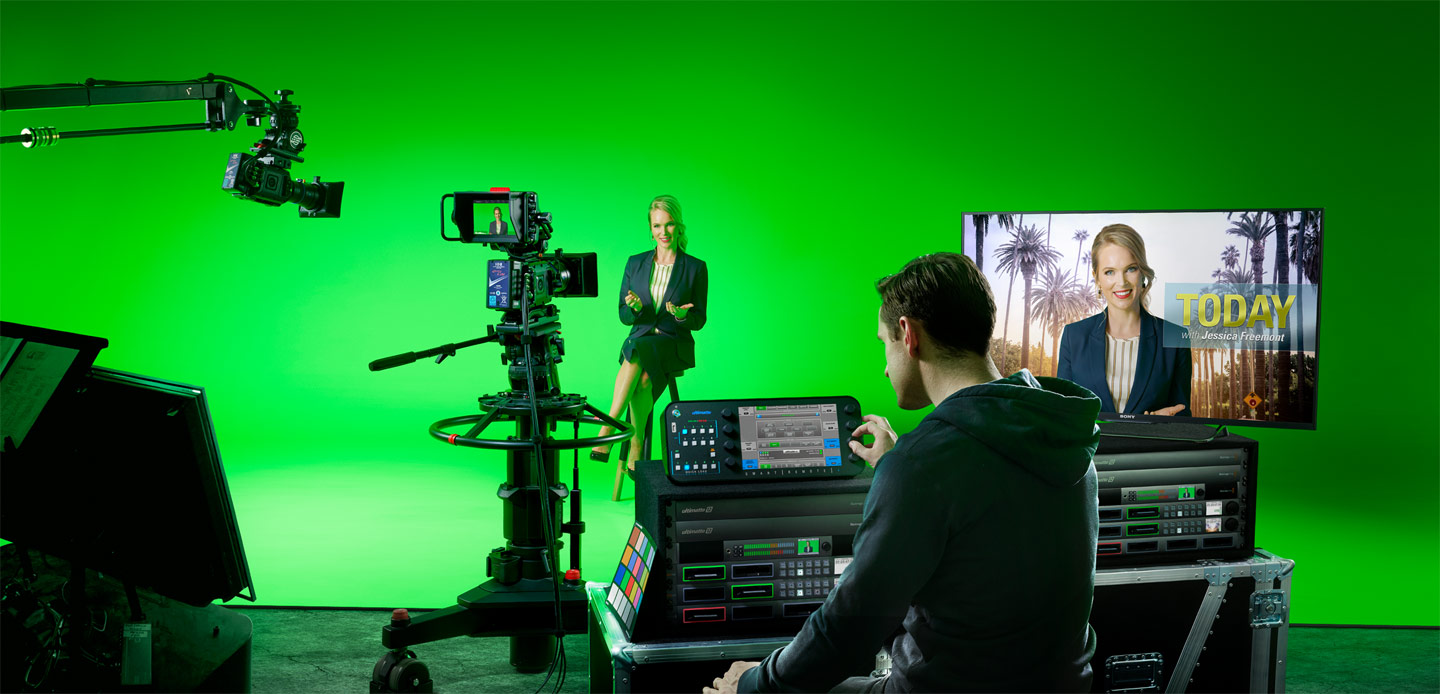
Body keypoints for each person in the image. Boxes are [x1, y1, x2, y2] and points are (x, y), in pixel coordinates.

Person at [706, 252, 1100, 693]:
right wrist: (897, 465)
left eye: (884, 343)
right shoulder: (1063, 438)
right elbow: (987, 509)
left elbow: (844, 634)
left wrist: (752, 685)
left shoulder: (922, 469)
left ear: (909, 335)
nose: (884, 366)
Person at [590, 195, 709, 493]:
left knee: (636, 350)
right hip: (641, 339)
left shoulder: (695, 267)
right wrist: (632, 308)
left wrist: (682, 315)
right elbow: (623, 315)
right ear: (650, 229)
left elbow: (699, 320)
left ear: (679, 227)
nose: (663, 232)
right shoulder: (635, 263)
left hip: (672, 343)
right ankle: (636, 445)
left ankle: (609, 424)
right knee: (642, 377)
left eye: (669, 225)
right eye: (657, 226)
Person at [1057, 224, 1192, 416]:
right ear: (1097, 277)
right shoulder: (1074, 336)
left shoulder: (1175, 338)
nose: (1121, 282)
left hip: (1155, 438)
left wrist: (1156, 423)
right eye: (1109, 272)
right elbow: (1062, 415)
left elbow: (1181, 415)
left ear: (1142, 272)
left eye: (1130, 269)